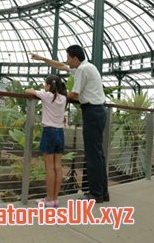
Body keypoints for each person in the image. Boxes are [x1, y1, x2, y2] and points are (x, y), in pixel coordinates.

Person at [30, 45, 109, 203]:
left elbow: (74, 94)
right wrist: (42, 59)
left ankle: (96, 194)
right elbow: (60, 66)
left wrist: (57, 98)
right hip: (98, 112)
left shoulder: (81, 70)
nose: (66, 61)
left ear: (75, 58)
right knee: (98, 154)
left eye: (68, 58)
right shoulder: (87, 66)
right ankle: (102, 192)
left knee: (93, 155)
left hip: (92, 112)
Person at [25, 74, 67, 208]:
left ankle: (49, 199)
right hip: (60, 133)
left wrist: (33, 88)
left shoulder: (46, 95)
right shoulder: (64, 98)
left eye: (45, 84)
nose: (44, 86)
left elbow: (28, 91)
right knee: (58, 166)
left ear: (49, 85)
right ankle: (54, 199)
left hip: (49, 132)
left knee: (49, 167)